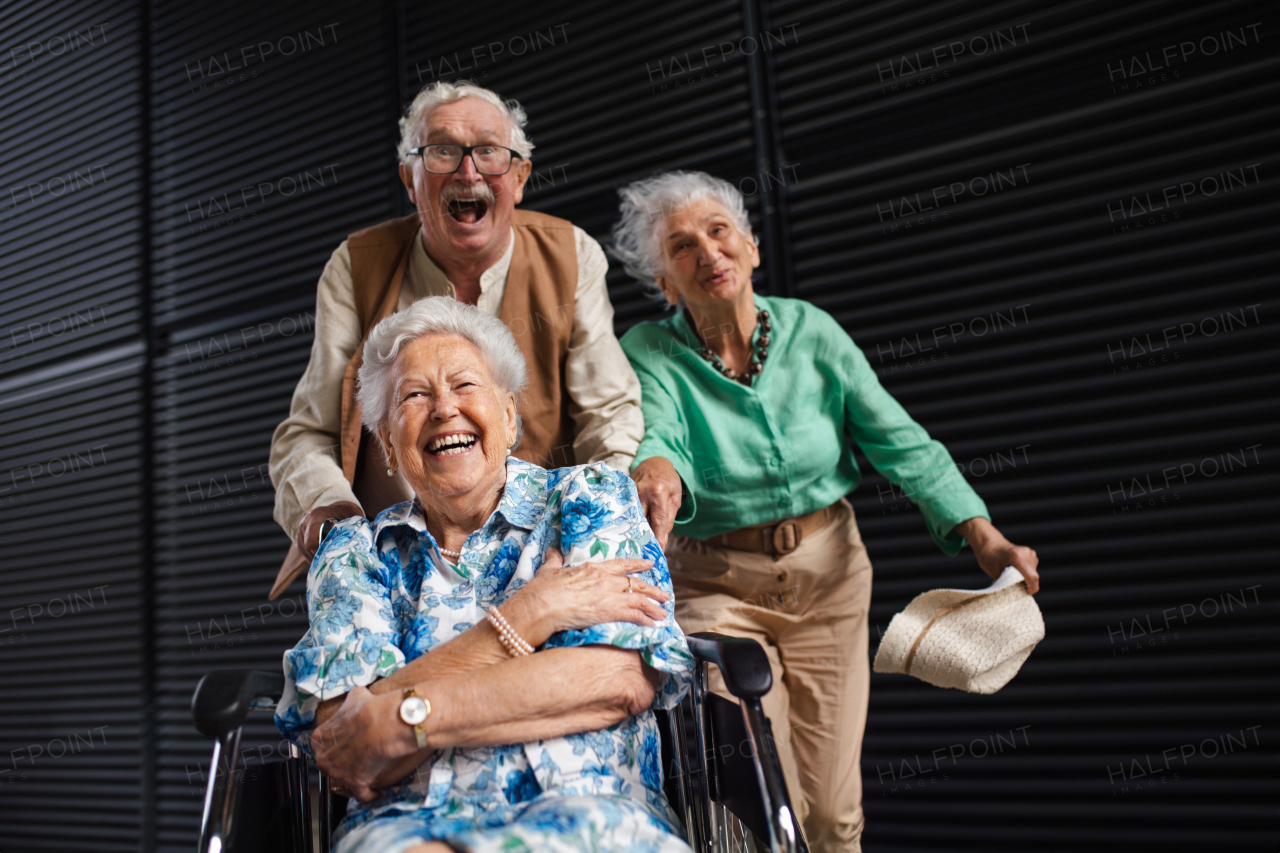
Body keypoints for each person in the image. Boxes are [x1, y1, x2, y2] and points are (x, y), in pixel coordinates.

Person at [611, 171, 1041, 853]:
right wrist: (657, 469)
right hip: (715, 583)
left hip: (829, 579)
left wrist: (980, 533)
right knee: (760, 795)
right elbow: (660, 435)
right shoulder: (648, 350)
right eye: (682, 247)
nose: (708, 253)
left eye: (718, 232)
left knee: (833, 814)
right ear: (666, 283)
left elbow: (898, 439)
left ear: (751, 246)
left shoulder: (815, 332)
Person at [276, 296, 694, 853]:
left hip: (593, 809)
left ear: (510, 414)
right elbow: (345, 745)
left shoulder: (591, 498)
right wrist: (531, 613)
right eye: (415, 395)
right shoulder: (355, 552)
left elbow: (614, 683)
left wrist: (402, 717)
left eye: (465, 385)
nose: (444, 408)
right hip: (408, 825)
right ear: (389, 447)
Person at [268, 80, 683, 597]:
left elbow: (610, 416)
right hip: (389, 562)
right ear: (409, 178)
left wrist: (594, 518)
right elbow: (307, 433)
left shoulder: (571, 254)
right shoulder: (355, 267)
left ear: (521, 175)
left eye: (489, 151)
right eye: (442, 151)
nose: (469, 172)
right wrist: (337, 517)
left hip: (539, 556)